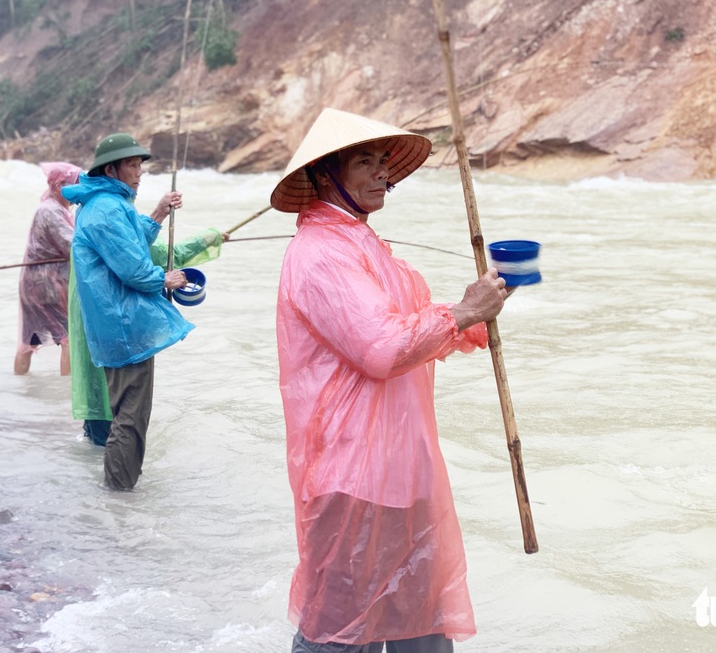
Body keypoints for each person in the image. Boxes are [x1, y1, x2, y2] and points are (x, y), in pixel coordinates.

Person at [272, 108, 509, 653]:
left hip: (402, 470)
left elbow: (413, 322)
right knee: (338, 635)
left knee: (421, 628)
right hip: (353, 476)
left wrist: (478, 313)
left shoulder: (366, 245)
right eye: (365, 162)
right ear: (324, 176)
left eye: (383, 162)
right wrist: (463, 316)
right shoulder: (319, 254)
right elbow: (381, 348)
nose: (383, 173)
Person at [61, 133, 192, 491]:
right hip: (123, 325)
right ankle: (119, 495)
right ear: (111, 168)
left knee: (129, 412)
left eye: (140, 165)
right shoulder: (106, 209)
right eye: (133, 165)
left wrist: (159, 213)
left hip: (122, 324)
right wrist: (166, 279)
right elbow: (134, 270)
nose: (139, 172)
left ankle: (121, 489)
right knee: (130, 416)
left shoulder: (109, 203)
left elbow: (130, 244)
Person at [71, 228, 229, 445]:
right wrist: (207, 239)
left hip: (89, 323)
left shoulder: (88, 222)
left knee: (97, 405)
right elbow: (162, 256)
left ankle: (92, 466)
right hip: (113, 332)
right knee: (118, 415)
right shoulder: (113, 226)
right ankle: (110, 473)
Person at [14, 162, 82, 376]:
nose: (77, 190)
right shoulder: (51, 211)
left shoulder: (55, 208)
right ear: (58, 185)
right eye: (73, 184)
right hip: (46, 286)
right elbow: (73, 245)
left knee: (29, 340)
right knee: (68, 338)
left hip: (34, 284)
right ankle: (67, 395)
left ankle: (20, 386)